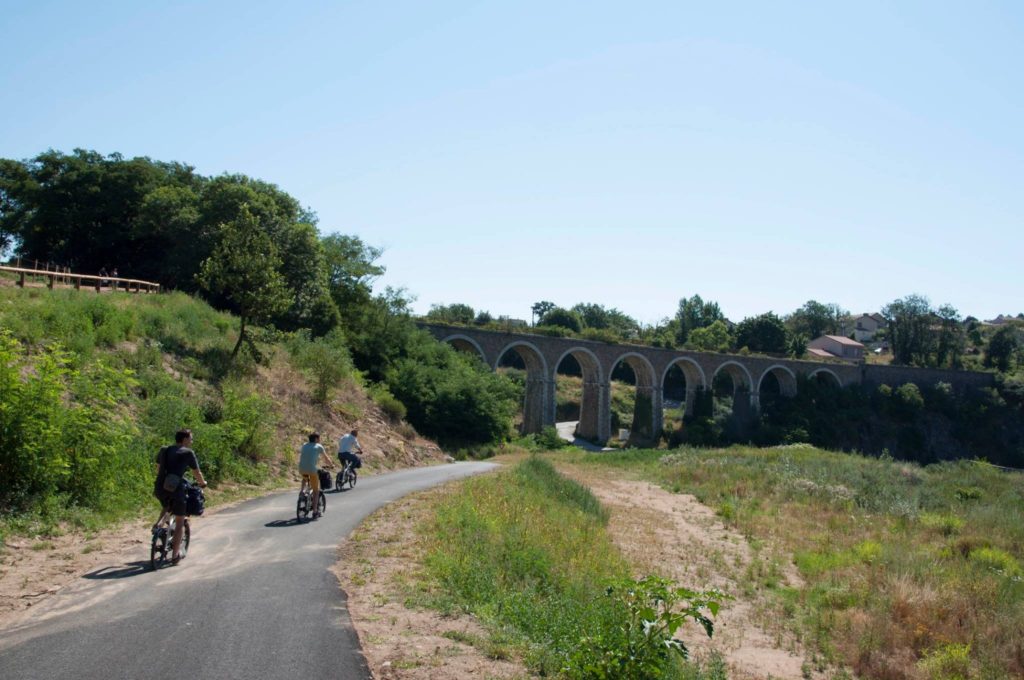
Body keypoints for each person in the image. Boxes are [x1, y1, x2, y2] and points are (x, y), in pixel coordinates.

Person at [154, 429, 207, 564]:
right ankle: (175, 556)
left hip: (160, 486)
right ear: (184, 440)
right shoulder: (188, 453)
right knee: (179, 522)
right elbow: (197, 473)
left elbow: (158, 468)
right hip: (176, 488)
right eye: (191, 438)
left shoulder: (164, 450)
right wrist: (203, 483)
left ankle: (158, 525)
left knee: (167, 504)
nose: (192, 441)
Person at [299, 432, 331, 519]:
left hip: (301, 468)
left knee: (305, 478)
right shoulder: (318, 446)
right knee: (316, 491)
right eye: (319, 438)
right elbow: (326, 458)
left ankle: (302, 492)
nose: (320, 440)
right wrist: (331, 465)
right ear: (316, 439)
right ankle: (315, 512)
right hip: (312, 470)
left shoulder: (304, 445)